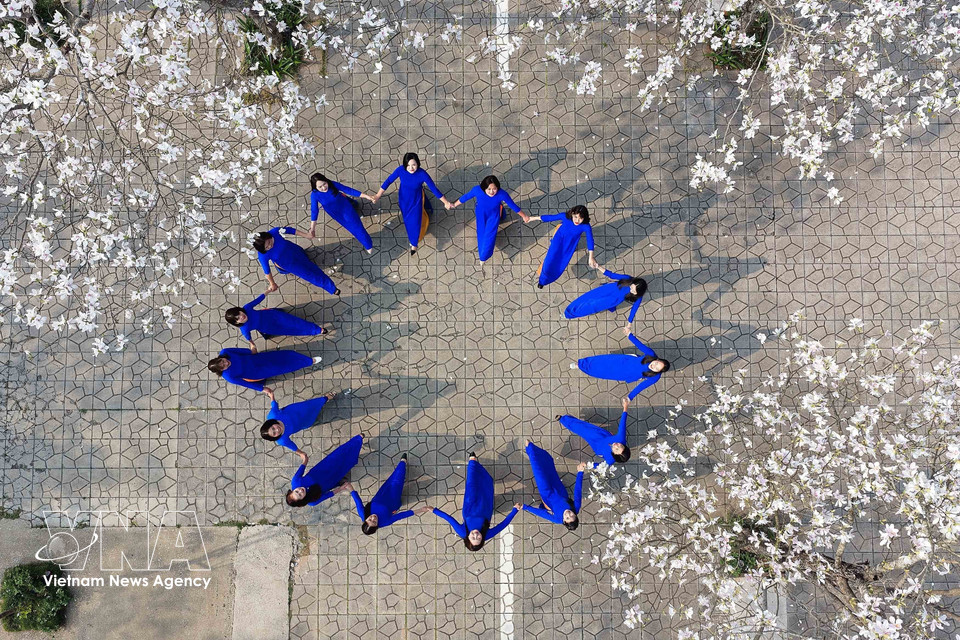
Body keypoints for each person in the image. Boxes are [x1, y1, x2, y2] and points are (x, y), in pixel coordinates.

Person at [432, 453, 521, 551]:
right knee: (485, 486)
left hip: (470, 502)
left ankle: (472, 462)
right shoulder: (486, 534)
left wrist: (433, 510)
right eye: (478, 538)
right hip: (486, 504)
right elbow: (503, 525)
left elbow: (449, 519)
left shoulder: (462, 532)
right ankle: (480, 471)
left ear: (467, 538)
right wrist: (514, 510)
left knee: (472, 483)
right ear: (482, 539)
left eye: (472, 538)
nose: (476, 535)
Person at [372, 152, 453, 254]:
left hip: (416, 201)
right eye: (408, 165)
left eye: (414, 165)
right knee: (407, 218)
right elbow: (388, 181)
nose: (411, 168)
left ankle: (414, 244)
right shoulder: (400, 170)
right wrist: (378, 195)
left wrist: (445, 202)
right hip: (404, 199)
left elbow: (434, 189)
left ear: (418, 164)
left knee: (414, 222)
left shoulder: (422, 174)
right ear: (405, 165)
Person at [448, 175, 528, 266]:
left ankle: (483, 256)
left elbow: (513, 206)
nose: (491, 192)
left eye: (494, 189)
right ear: (484, 187)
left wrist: (524, 216)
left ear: (498, 187)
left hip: (493, 217)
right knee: (481, 234)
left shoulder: (502, 194)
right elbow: (465, 197)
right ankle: (483, 256)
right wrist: (454, 204)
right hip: (481, 215)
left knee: (489, 237)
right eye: (488, 189)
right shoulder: (477, 190)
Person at [345, 454, 432, 535]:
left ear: (365, 520)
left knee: (391, 481)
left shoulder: (363, 513)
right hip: (393, 500)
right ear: (377, 526)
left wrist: (350, 489)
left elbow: (357, 501)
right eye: (374, 522)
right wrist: (421, 509)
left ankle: (401, 466)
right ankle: (402, 462)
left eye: (369, 519)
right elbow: (402, 515)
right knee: (397, 481)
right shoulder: (385, 521)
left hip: (381, 494)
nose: (373, 518)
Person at [577, 333, 670, 401]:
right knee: (602, 361)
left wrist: (630, 397)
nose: (654, 366)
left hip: (623, 374)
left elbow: (641, 386)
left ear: (658, 372)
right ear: (657, 359)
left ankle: (582, 367)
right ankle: (581, 363)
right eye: (657, 363)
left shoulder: (655, 377)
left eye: (657, 368)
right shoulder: (651, 354)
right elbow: (640, 345)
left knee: (602, 371)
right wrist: (629, 335)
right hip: (622, 361)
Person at [253, 226, 340, 296]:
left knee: (311, 266)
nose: (269, 247)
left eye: (269, 243)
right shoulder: (262, 255)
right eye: (266, 248)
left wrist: (306, 235)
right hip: (290, 265)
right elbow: (267, 272)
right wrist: (272, 283)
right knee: (309, 275)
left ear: (268, 236)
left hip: (297, 252)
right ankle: (332, 288)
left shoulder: (275, 232)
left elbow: (290, 230)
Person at [527, 205, 598, 288]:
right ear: (572, 213)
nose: (577, 220)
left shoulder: (586, 226)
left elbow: (590, 240)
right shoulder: (565, 217)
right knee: (550, 259)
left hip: (569, 245)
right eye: (575, 217)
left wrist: (591, 257)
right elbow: (550, 218)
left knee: (561, 263)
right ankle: (542, 280)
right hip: (558, 240)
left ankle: (546, 278)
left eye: (580, 218)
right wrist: (532, 218)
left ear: (584, 218)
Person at [225, 294, 325, 353]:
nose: (241, 316)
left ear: (240, 310)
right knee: (292, 330)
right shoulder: (244, 329)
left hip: (275, 316)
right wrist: (252, 345)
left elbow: (258, 300)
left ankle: (317, 329)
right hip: (272, 328)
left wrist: (269, 290)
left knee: (295, 322)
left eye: (239, 313)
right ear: (237, 323)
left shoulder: (247, 308)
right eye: (238, 318)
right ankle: (313, 331)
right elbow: (249, 338)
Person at [520, 441, 586, 529]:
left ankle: (530, 448)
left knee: (538, 471)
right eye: (572, 515)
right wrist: (580, 472)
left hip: (546, 493)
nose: (568, 514)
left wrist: (525, 507)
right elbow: (577, 491)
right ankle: (531, 451)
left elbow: (542, 514)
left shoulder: (557, 519)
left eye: (567, 518)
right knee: (549, 465)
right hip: (559, 489)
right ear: (575, 514)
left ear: (564, 521)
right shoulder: (576, 507)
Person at [286, 435, 364, 507]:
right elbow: (328, 495)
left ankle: (358, 439)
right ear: (302, 500)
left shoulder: (295, 481)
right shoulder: (312, 501)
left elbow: (302, 467)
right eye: (300, 495)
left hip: (324, 466)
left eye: (296, 491)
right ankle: (356, 451)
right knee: (347, 463)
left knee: (340, 453)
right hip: (332, 478)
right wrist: (341, 488)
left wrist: (305, 458)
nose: (300, 491)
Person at [564, 267, 647, 335]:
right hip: (607, 290)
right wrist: (597, 266)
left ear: (638, 293)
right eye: (632, 287)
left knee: (592, 306)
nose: (631, 290)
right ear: (633, 282)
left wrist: (629, 326)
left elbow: (633, 311)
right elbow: (612, 275)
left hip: (611, 300)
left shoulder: (638, 297)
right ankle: (571, 310)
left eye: (634, 291)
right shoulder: (628, 279)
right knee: (588, 297)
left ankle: (571, 313)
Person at [307, 172, 376, 252]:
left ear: (326, 180)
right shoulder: (314, 195)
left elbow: (348, 190)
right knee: (353, 225)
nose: (324, 187)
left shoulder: (332, 184)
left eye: (324, 184)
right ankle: (355, 205)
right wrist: (312, 228)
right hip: (336, 213)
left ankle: (368, 245)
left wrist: (366, 196)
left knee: (357, 228)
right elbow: (314, 211)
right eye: (320, 187)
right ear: (315, 188)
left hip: (346, 209)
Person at [207, 348, 319, 395]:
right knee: (284, 367)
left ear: (220, 357)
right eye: (223, 366)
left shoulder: (226, 351)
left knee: (282, 355)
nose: (226, 363)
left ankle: (301, 357)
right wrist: (263, 389)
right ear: (221, 371)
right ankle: (309, 362)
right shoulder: (229, 376)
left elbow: (243, 351)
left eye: (223, 361)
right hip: (260, 371)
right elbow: (245, 383)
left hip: (259, 358)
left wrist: (252, 350)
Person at [557, 397, 632, 465]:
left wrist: (588, 465)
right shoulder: (621, 439)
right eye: (620, 445)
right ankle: (564, 419)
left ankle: (570, 420)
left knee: (583, 430)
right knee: (582, 429)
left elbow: (601, 466)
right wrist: (625, 407)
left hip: (596, 447)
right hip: (600, 435)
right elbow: (622, 424)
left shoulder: (610, 460)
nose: (616, 445)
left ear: (614, 455)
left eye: (616, 449)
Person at [260, 393, 335, 455]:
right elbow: (292, 446)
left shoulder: (273, 415)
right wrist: (301, 453)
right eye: (274, 433)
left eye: (273, 428)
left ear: (271, 423)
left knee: (313, 404)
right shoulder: (282, 440)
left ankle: (325, 398)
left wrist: (271, 395)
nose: (277, 429)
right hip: (305, 422)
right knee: (313, 417)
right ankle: (321, 404)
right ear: (274, 438)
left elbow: (274, 406)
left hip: (300, 408)